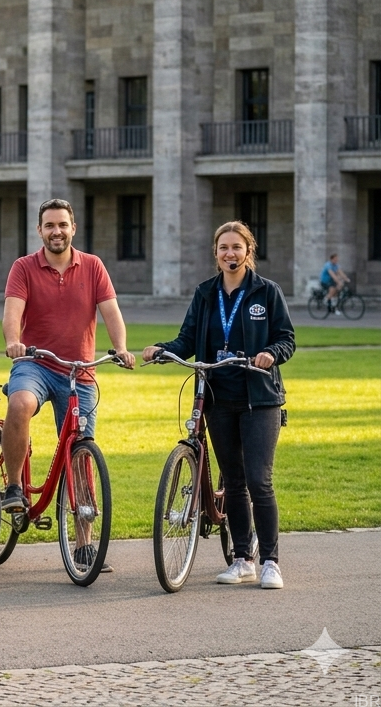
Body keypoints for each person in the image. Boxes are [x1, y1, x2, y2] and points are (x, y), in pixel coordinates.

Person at [143, 221, 295, 589]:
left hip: (259, 399)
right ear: (216, 253)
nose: (230, 253)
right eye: (223, 247)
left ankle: (271, 561)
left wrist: (270, 354)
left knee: (260, 480)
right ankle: (242, 559)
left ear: (248, 252)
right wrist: (163, 350)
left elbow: (286, 339)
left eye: (237, 247)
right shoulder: (206, 293)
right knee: (236, 481)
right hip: (217, 398)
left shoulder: (267, 292)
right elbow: (187, 339)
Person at [1, 198, 135, 571]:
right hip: (36, 363)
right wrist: (14, 341)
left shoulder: (92, 266)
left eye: (63, 224)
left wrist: (121, 348)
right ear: (40, 230)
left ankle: (83, 544)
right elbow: (12, 315)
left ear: (73, 228)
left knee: (81, 453)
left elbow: (111, 312)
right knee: (20, 403)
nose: (56, 231)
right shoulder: (23, 267)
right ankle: (14, 486)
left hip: (80, 371)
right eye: (49, 225)